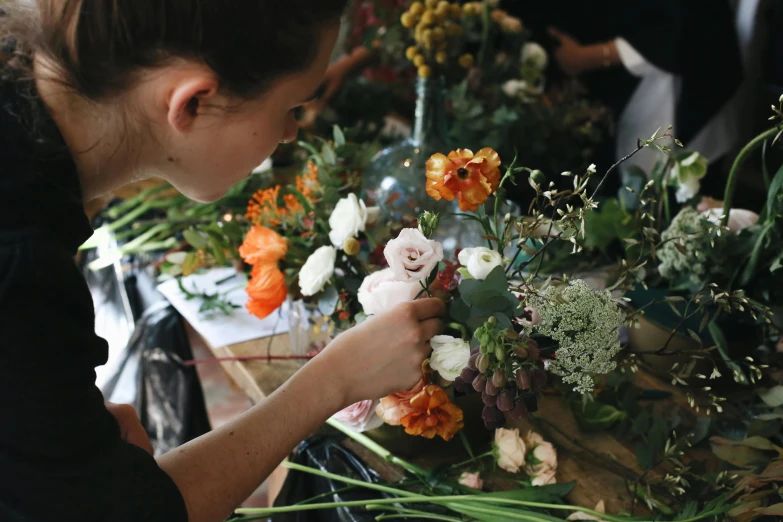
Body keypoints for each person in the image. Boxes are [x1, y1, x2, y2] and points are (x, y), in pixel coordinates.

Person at [0, 2, 445, 522]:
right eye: (291, 108)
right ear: (194, 103)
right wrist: (335, 379)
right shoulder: (20, 271)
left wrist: (50, 433)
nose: (290, 135)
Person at [504, 0, 743, 177]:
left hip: (672, 74)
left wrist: (587, 57)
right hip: (579, 85)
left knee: (648, 201)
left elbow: (688, 24)